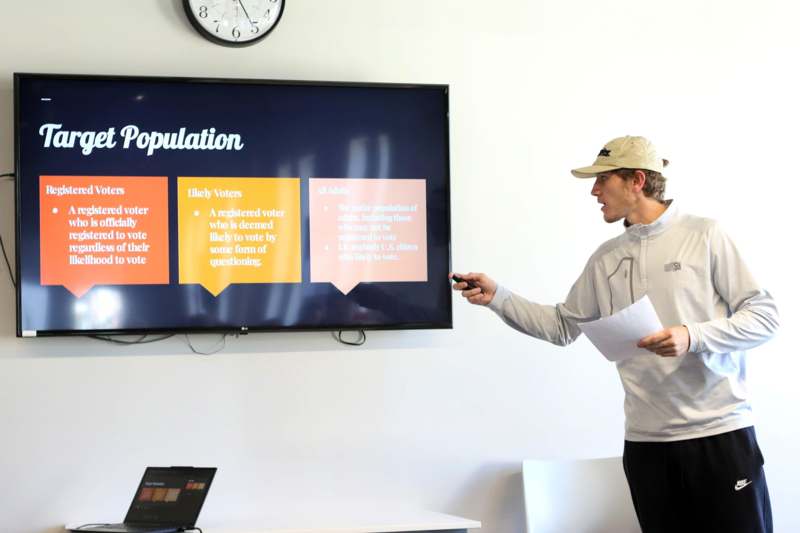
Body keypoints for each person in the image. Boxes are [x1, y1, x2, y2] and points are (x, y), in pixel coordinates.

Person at [451, 135, 779, 533]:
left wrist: (691, 336)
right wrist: (497, 298)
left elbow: (764, 317)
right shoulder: (606, 258)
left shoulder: (705, 235)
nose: (593, 190)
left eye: (602, 180)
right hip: (646, 447)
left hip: (718, 436)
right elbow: (561, 327)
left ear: (636, 180)